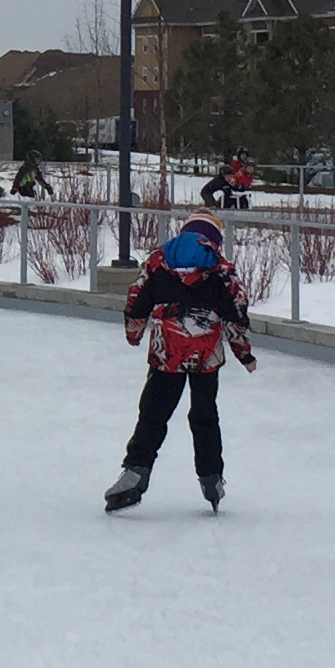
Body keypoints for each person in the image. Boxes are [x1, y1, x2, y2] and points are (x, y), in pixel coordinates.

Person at [105, 215, 256, 512]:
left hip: (167, 351)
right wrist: (244, 353)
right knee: (205, 415)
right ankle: (211, 478)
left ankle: (135, 471)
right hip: (206, 354)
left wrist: (134, 334)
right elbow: (235, 312)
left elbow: (137, 299)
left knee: (153, 412)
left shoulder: (158, 260)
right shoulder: (220, 268)